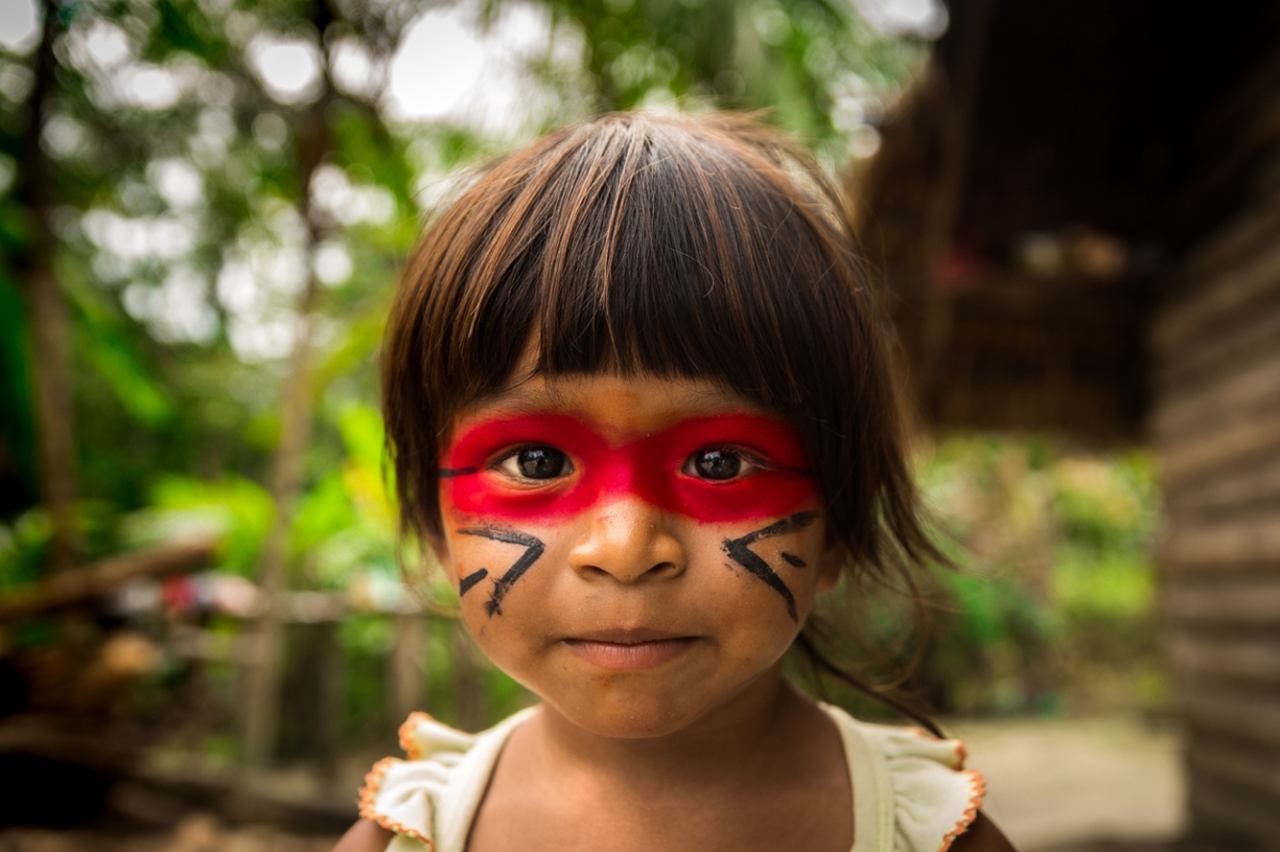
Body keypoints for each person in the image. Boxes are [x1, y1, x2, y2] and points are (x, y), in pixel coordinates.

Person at [333, 112, 1015, 852]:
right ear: (437, 528)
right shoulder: (409, 835)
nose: (625, 547)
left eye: (720, 463)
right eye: (536, 462)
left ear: (840, 524)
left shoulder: (935, 835)